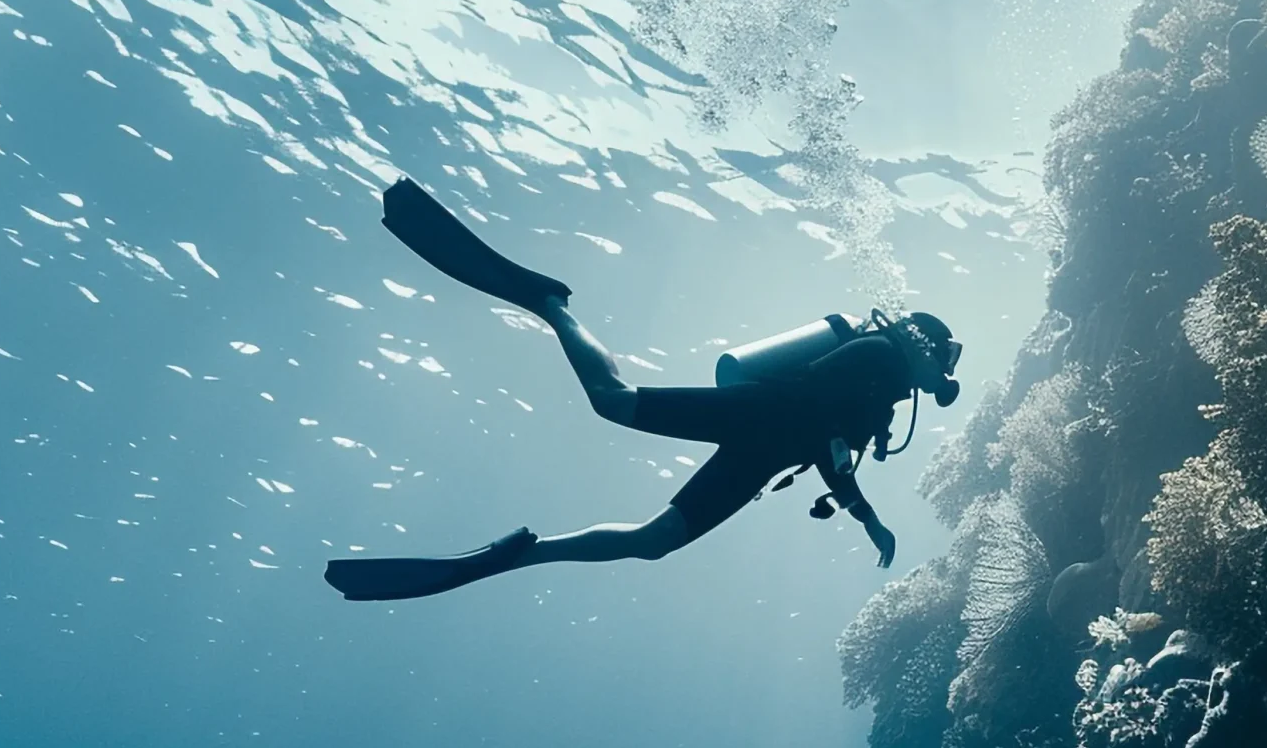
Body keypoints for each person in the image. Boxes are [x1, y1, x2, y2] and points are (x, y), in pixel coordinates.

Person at [323, 179, 962, 602]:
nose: (946, 373)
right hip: (761, 413)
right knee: (612, 401)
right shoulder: (879, 355)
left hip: (763, 454)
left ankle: (527, 554)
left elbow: (835, 453)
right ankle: (552, 304)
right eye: (946, 356)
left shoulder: (887, 396)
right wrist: (868, 517)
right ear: (923, 345)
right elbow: (826, 431)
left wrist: (862, 511)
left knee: (654, 542)